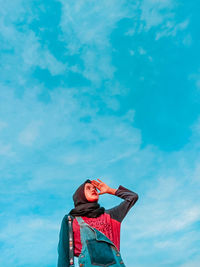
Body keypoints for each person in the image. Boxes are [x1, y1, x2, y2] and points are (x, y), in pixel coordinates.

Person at [57, 178, 139, 267]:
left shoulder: (111, 215)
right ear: (80, 195)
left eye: (95, 188)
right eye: (88, 188)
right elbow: (64, 254)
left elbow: (132, 197)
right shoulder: (71, 220)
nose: (93, 189)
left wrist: (109, 190)